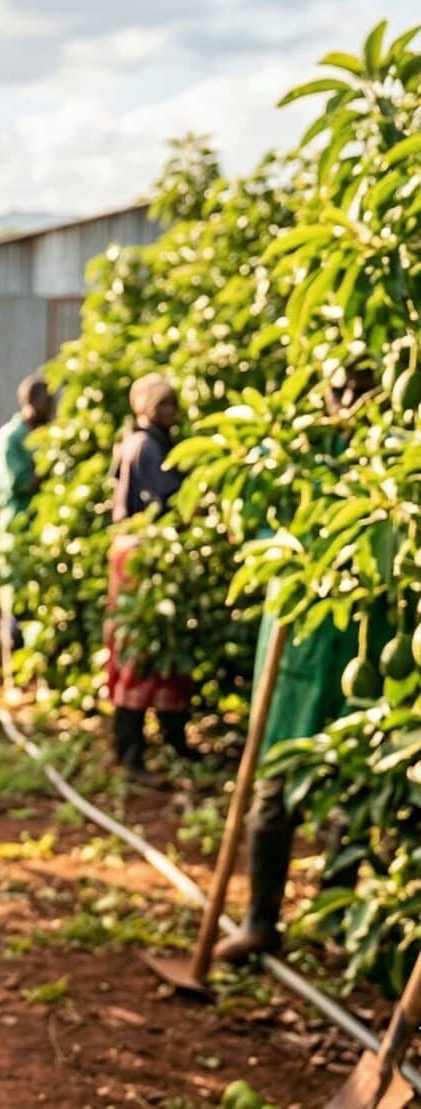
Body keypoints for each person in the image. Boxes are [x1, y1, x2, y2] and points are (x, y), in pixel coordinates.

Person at [216, 368, 391, 962]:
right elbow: (254, 520)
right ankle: (261, 920)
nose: (349, 403)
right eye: (340, 390)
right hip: (293, 657)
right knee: (273, 793)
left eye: (362, 389)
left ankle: (334, 919)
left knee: (350, 798)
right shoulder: (294, 452)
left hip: (361, 655)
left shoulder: (390, 457)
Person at [103, 373, 195, 784]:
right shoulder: (146, 445)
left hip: (142, 549)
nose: (169, 412)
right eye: (162, 404)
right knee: (139, 650)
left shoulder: (146, 441)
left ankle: (171, 741)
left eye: (172, 404)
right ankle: (132, 753)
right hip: (143, 552)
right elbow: (163, 504)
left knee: (161, 646)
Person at [0, 374, 53, 672]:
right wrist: (50, 465)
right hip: (17, 525)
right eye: (47, 401)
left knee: (40, 597)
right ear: (31, 402)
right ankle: (12, 671)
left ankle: (35, 668)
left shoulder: (44, 435)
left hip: (42, 526)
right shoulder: (12, 437)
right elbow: (18, 482)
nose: (52, 407)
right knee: (15, 599)